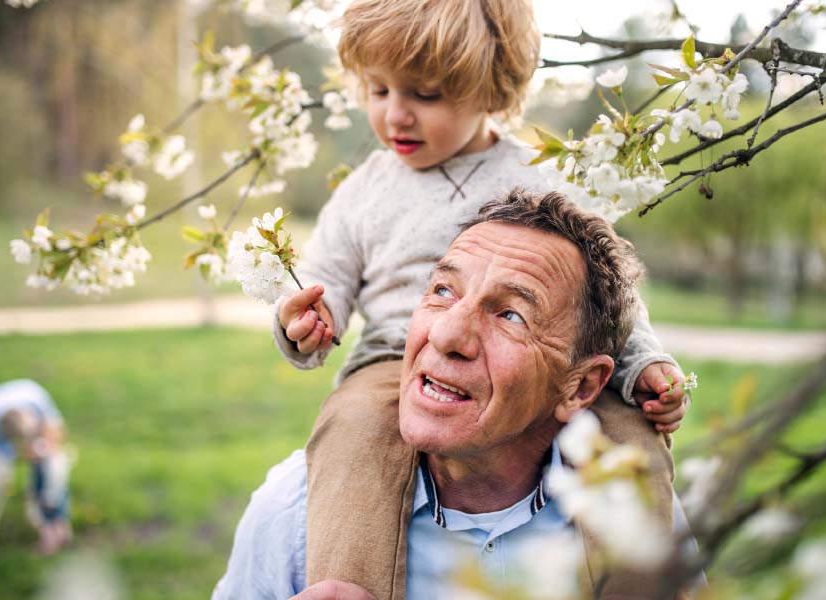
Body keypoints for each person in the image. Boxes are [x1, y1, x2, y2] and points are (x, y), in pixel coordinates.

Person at [271, 1, 690, 596]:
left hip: (536, 365)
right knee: (355, 429)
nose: (395, 114)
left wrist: (641, 362)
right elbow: (326, 275)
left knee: (631, 436)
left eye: (426, 95)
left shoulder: (540, 173)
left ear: (490, 89)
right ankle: (348, 585)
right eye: (378, 90)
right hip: (394, 359)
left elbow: (608, 292)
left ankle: (641, 587)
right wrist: (309, 318)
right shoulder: (366, 189)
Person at [218, 191, 682, 599]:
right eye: (442, 290)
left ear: (580, 386)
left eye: (511, 316)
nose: (445, 334)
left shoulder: (636, 522)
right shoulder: (293, 512)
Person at [0, 379, 73, 555]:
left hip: (28, 406)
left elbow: (58, 431)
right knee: (0, 477)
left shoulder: (38, 400)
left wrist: (47, 448)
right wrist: (25, 453)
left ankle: (51, 523)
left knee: (53, 467)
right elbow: (10, 454)